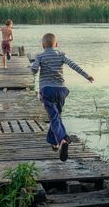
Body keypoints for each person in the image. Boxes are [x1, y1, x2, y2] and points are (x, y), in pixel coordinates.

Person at [31, 33, 94, 162]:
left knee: (54, 117)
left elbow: (34, 70)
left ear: (43, 45)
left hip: (47, 90)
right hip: (61, 91)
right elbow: (73, 65)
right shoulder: (61, 54)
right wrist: (87, 76)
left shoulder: (40, 56)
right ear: (57, 44)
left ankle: (62, 140)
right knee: (56, 117)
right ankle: (54, 143)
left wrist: (33, 68)